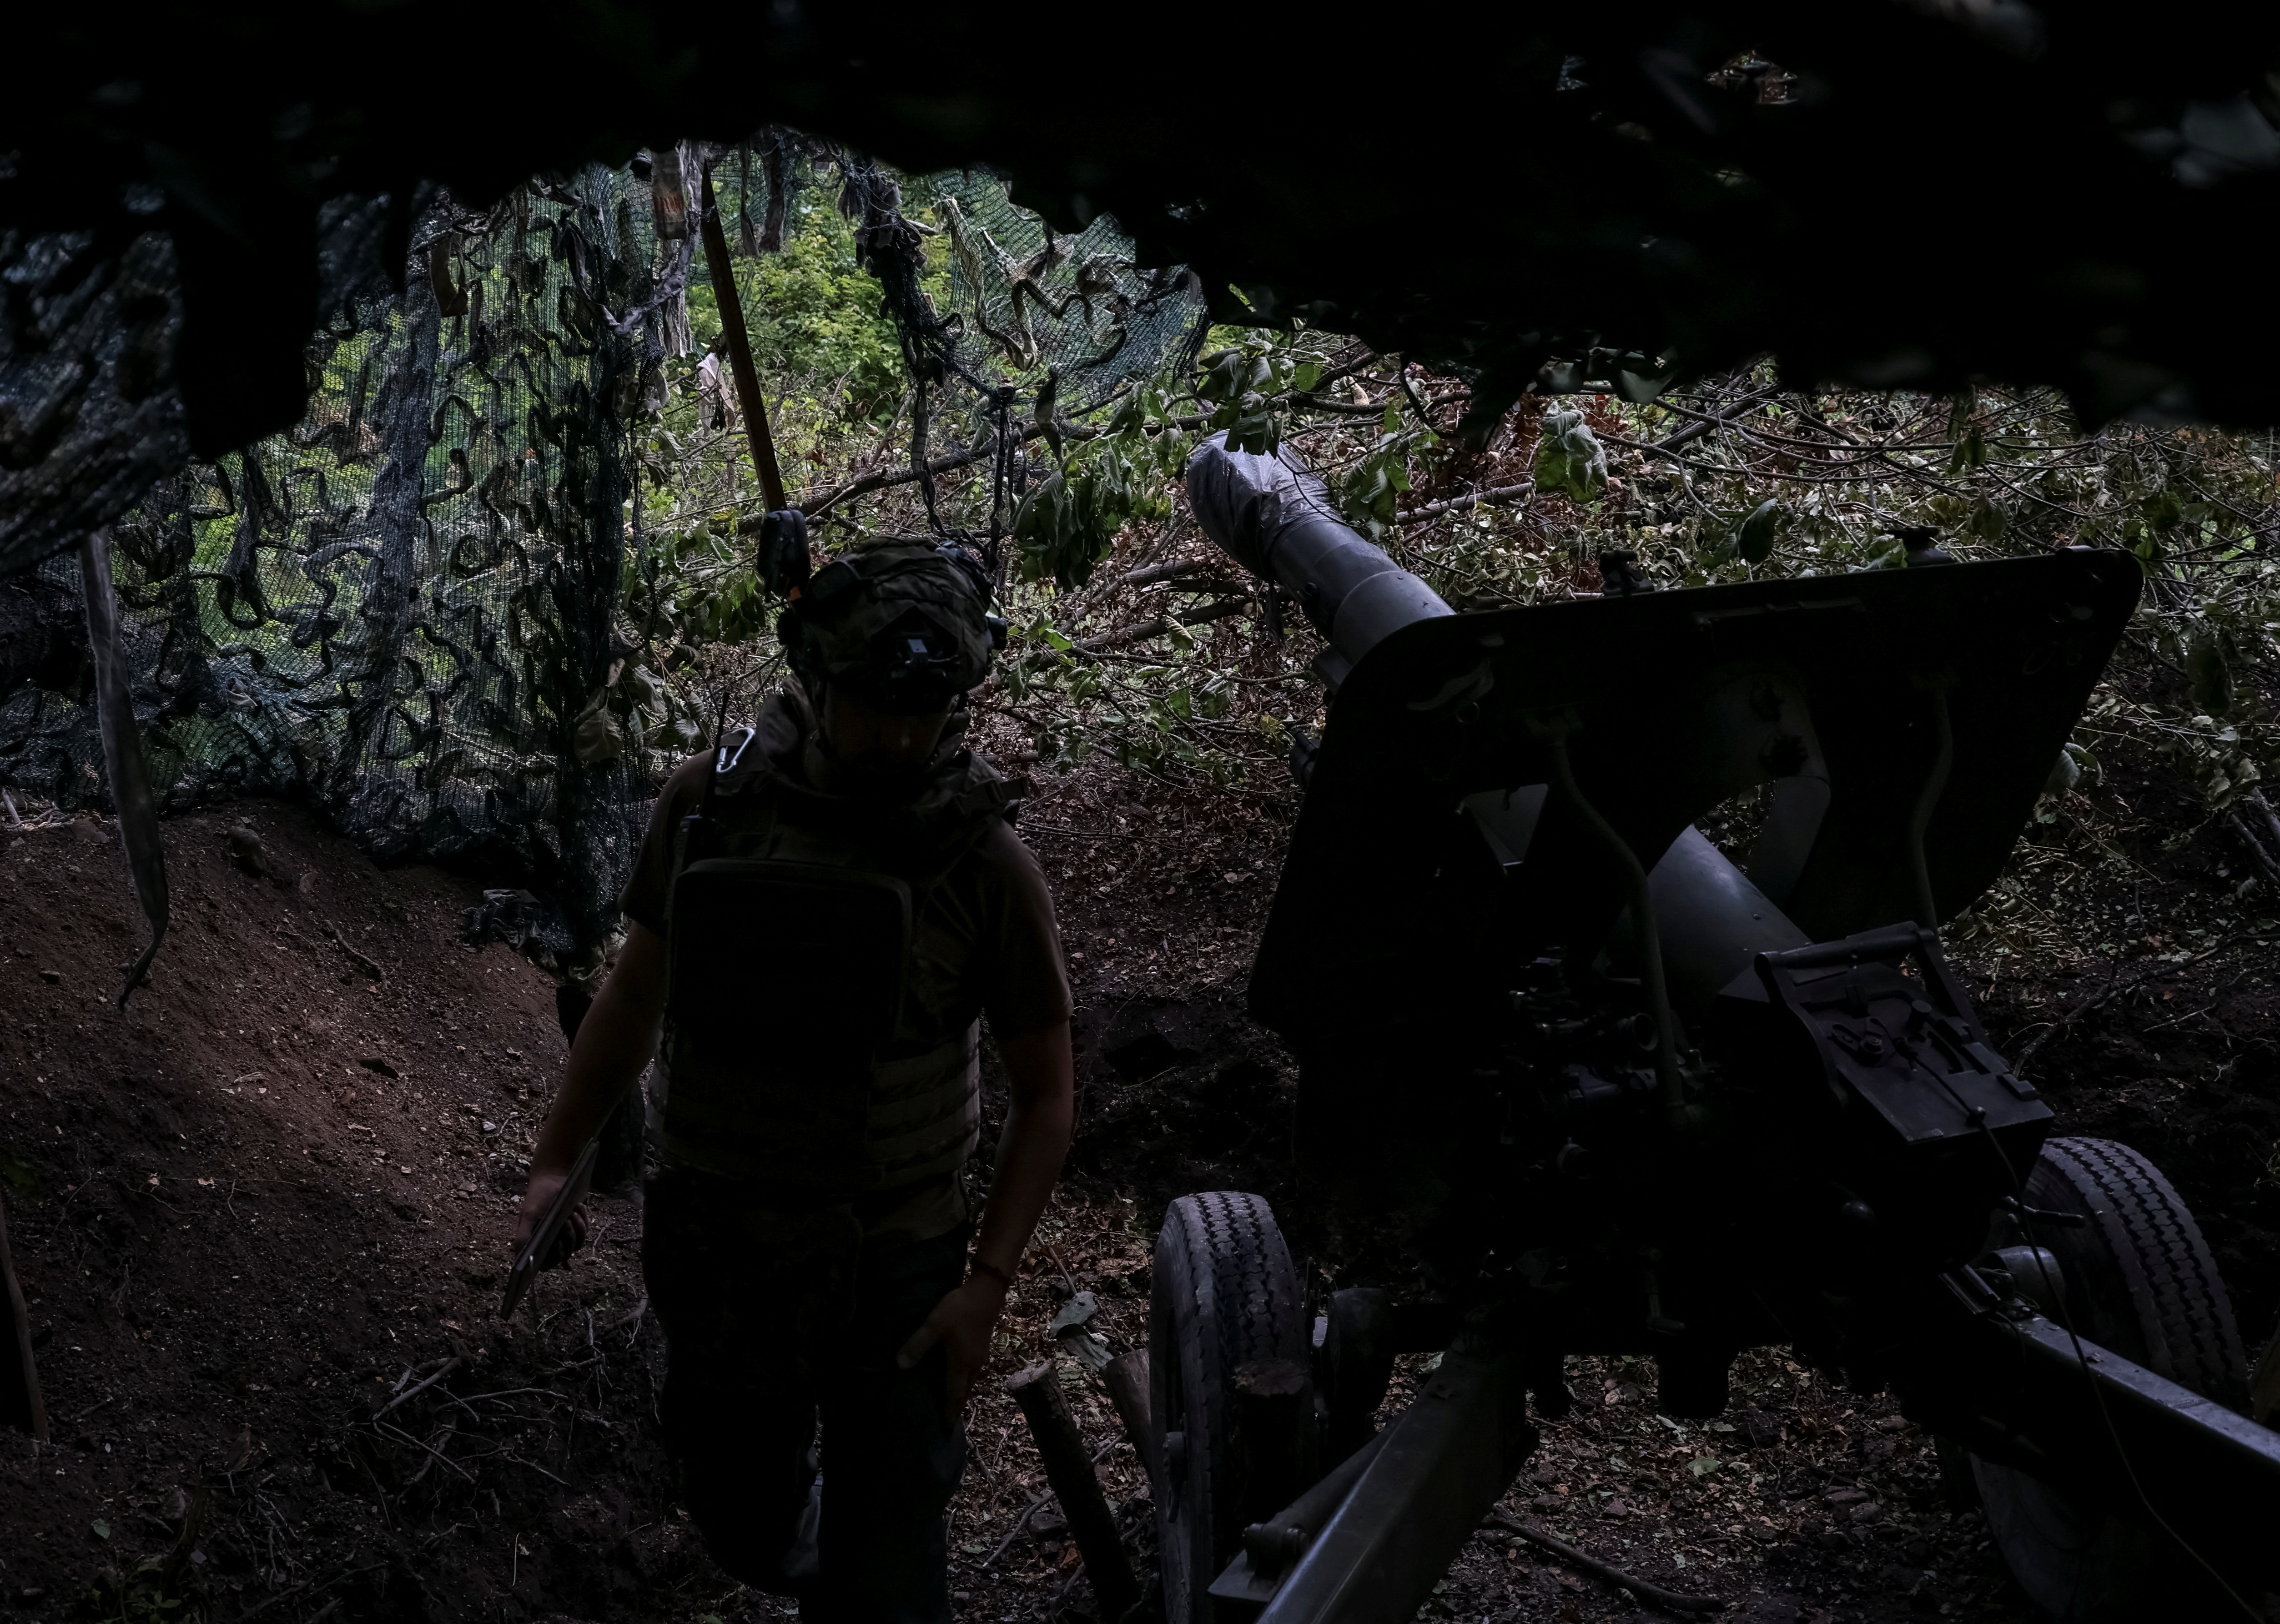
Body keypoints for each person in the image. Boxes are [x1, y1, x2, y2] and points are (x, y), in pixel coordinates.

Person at [513, 529, 1073, 1623]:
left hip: (899, 1262)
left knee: (892, 1551)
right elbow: (634, 999)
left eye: (931, 713)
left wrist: (983, 1290)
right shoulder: (712, 810)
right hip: (727, 1241)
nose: (904, 737)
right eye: (878, 707)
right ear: (812, 680)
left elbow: (1046, 1093)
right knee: (739, 1511)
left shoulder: (983, 863)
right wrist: (550, 1162)